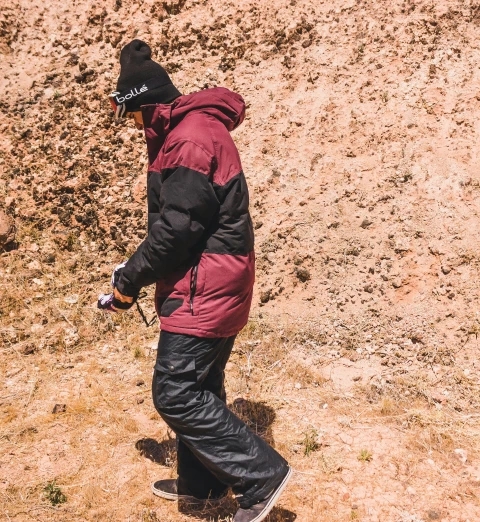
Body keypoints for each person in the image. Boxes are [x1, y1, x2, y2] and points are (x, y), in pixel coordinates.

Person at [96, 39, 291, 522]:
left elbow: (175, 231)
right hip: (217, 278)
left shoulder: (188, 140)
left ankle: (260, 477)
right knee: (202, 386)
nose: (132, 127)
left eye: (131, 115)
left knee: (176, 393)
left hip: (205, 284)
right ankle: (201, 488)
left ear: (146, 105)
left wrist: (129, 278)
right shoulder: (192, 130)